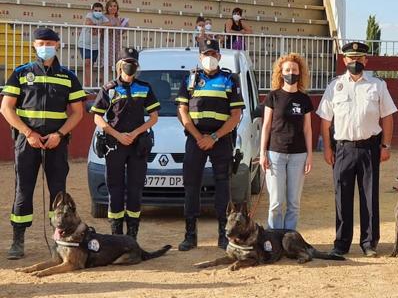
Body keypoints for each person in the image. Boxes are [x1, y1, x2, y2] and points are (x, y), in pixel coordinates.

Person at [0, 27, 86, 259]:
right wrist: (28, 133)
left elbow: (78, 112)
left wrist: (59, 134)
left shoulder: (68, 76)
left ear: (57, 45)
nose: (45, 46)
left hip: (56, 143)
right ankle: (18, 241)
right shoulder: (20, 72)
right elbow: (6, 108)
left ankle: (60, 239)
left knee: (58, 192)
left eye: (50, 42)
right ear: (34, 45)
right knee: (23, 190)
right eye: (41, 42)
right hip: (27, 142)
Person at [317, 42, 397, 257]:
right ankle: (341, 243)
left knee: (369, 197)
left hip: (369, 147)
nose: (355, 62)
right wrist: (327, 149)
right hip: (343, 149)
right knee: (341, 196)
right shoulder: (334, 86)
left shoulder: (378, 85)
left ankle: (369, 243)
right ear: (344, 60)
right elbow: (325, 121)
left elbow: (388, 116)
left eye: (359, 58)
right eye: (351, 58)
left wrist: (386, 145)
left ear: (366, 61)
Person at [175, 39, 245, 251]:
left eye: (214, 53)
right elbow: (182, 111)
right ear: (200, 56)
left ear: (220, 57)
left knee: (223, 186)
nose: (210, 58)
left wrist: (213, 137)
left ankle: (224, 235)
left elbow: (235, 116)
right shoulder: (190, 79)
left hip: (220, 140)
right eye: (206, 54)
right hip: (195, 140)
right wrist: (198, 137)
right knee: (191, 185)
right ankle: (190, 235)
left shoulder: (229, 79)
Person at [90, 48, 160, 239]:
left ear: (137, 66)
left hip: (138, 145)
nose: (130, 66)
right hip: (115, 145)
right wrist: (117, 135)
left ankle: (132, 236)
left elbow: (154, 117)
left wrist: (136, 133)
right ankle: (116, 235)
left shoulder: (145, 87)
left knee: (136, 189)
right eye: (126, 62)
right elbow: (97, 117)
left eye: (133, 62)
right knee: (115, 189)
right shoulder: (109, 89)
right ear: (119, 65)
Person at [259, 53, 314, 230]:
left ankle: (289, 239)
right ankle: (274, 240)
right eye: (287, 70)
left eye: (295, 69)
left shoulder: (304, 99)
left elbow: (307, 129)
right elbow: (266, 126)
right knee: (275, 203)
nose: (291, 73)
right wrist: (262, 153)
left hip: (298, 156)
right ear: (280, 73)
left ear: (300, 72)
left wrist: (310, 156)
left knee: (293, 203)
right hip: (275, 154)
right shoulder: (273, 97)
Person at [78, 2, 110, 87]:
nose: (98, 12)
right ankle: (87, 85)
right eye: (96, 10)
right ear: (92, 10)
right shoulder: (89, 15)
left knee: (90, 64)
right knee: (87, 63)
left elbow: (109, 23)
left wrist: (97, 26)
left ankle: (89, 84)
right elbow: (88, 22)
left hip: (95, 45)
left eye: (100, 10)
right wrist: (98, 27)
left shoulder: (103, 17)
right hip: (84, 43)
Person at [105, 0, 129, 69]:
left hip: (117, 43)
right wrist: (113, 25)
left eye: (115, 6)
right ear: (107, 7)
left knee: (118, 65)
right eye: (111, 6)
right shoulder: (104, 17)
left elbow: (119, 32)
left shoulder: (119, 19)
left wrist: (125, 26)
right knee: (106, 65)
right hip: (107, 43)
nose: (113, 8)